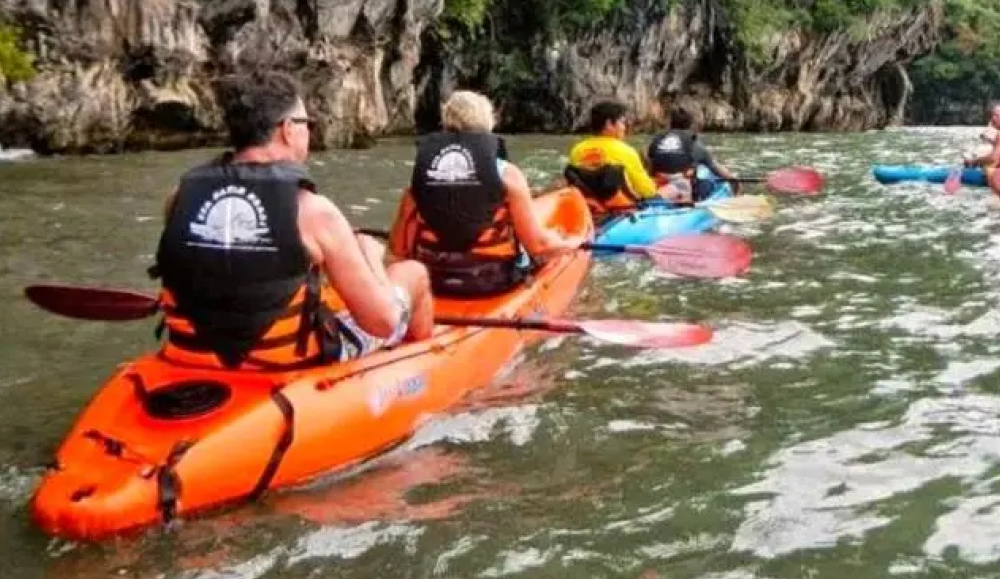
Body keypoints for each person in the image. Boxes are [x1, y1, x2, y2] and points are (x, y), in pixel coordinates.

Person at [153, 71, 434, 370]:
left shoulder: (181, 195)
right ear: (288, 129)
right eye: (306, 124)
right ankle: (426, 367)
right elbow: (382, 323)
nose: (309, 132)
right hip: (278, 364)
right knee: (413, 273)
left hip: (189, 358)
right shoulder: (314, 211)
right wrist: (369, 257)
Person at [388, 90, 588, 297]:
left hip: (433, 281)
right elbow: (538, 246)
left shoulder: (422, 175)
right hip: (492, 282)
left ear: (446, 123)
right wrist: (571, 243)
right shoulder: (507, 174)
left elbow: (398, 249)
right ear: (488, 123)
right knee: (549, 253)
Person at [565, 99, 685, 215]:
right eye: (622, 122)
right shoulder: (625, 151)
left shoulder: (577, 150)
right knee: (679, 185)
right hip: (624, 208)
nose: (624, 127)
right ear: (609, 124)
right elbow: (647, 191)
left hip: (592, 205)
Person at [644, 105, 736, 200]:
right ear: (689, 125)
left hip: (655, 183)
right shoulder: (695, 144)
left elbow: (649, 165)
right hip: (679, 185)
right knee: (699, 177)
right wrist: (734, 181)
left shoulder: (657, 139)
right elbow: (717, 169)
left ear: (670, 124)